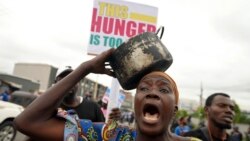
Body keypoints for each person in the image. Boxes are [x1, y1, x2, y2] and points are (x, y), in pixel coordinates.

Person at [14, 49, 200, 141]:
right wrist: (85, 68)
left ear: (175, 110)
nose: (152, 93)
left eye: (163, 89)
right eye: (143, 88)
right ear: (136, 104)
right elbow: (27, 122)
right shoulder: (109, 136)